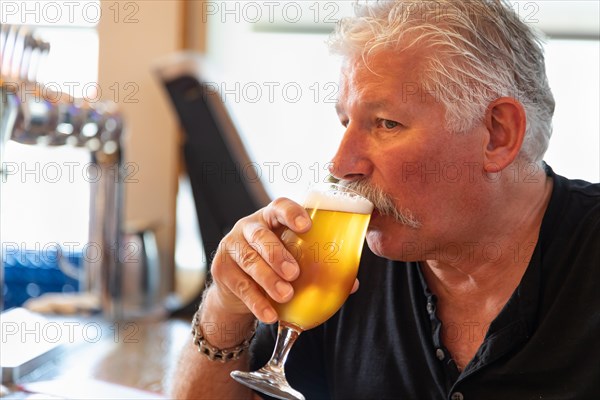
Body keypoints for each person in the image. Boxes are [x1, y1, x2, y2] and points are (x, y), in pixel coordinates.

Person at [171, 0, 600, 398]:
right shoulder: (337, 261)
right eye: (345, 122)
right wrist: (225, 310)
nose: (340, 164)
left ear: (498, 134)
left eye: (386, 124)